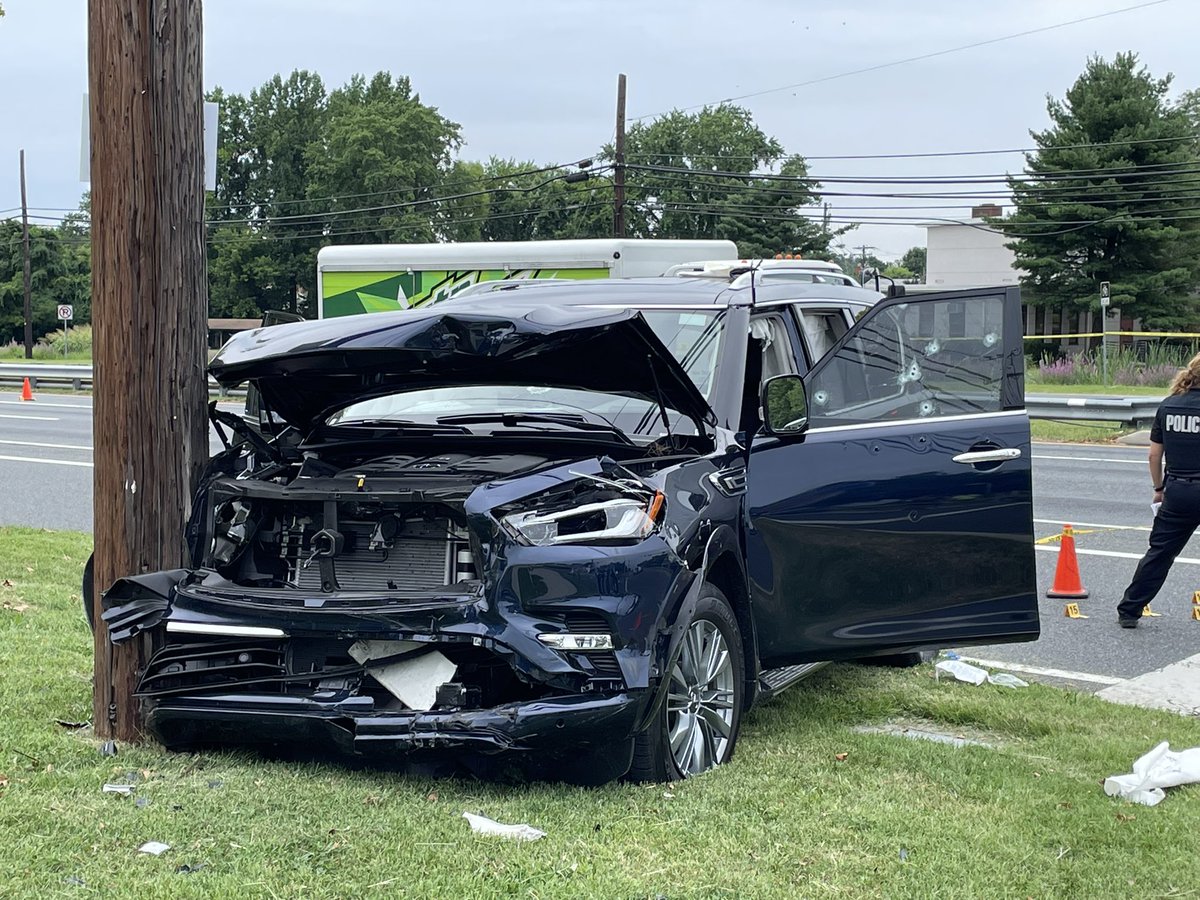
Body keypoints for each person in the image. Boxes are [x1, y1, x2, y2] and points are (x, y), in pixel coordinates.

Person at [1118, 351, 1200, 627]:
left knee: (1160, 553)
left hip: (1177, 490)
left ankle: (1129, 610)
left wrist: (1159, 488)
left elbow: (1154, 456)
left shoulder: (1168, 406)